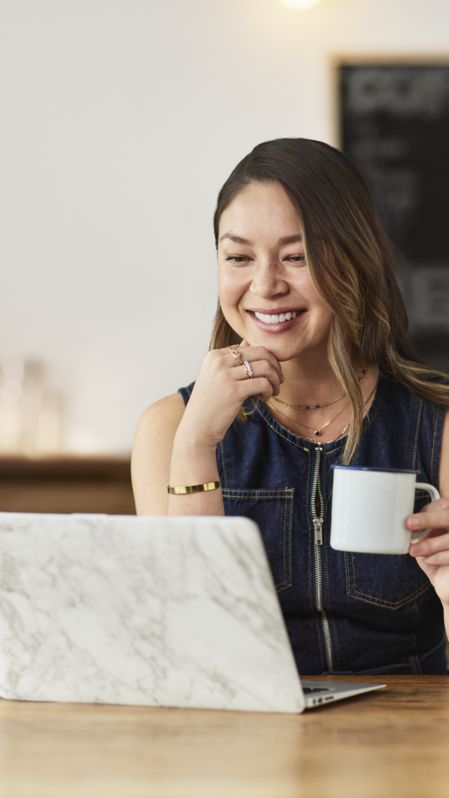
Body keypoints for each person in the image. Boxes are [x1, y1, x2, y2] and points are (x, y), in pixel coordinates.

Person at [132, 138, 449, 675]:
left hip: (410, 739)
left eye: (297, 257)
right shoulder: (168, 428)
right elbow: (187, 651)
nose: (265, 285)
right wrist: (195, 445)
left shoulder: (435, 422)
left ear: (355, 259)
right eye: (238, 257)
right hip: (243, 739)